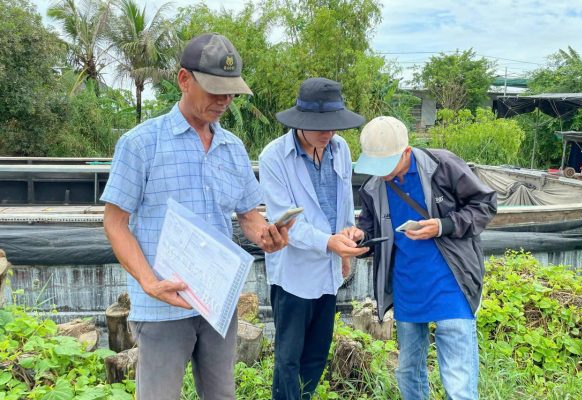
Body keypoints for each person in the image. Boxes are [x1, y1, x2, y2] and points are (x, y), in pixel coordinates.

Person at [101, 33, 291, 400]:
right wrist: (148, 282)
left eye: (231, 92)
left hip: (217, 302)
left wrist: (266, 235)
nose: (224, 100)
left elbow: (248, 216)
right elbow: (115, 222)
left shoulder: (232, 148)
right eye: (214, 89)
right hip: (162, 306)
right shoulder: (141, 143)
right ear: (183, 80)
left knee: (221, 395)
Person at [345, 116, 497, 400]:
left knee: (457, 379)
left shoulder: (442, 166)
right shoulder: (373, 187)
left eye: (386, 165)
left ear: (406, 152)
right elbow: (370, 230)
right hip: (407, 286)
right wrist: (359, 238)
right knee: (408, 370)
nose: (383, 174)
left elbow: (485, 205)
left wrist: (443, 225)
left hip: (450, 282)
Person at [259, 77, 369, 400]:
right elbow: (288, 224)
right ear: (300, 122)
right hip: (292, 274)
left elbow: (344, 203)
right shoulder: (274, 157)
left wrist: (346, 243)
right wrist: (330, 243)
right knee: (288, 359)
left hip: (328, 271)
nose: (328, 132)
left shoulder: (340, 149)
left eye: (334, 125)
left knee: (317, 355)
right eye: (320, 126)